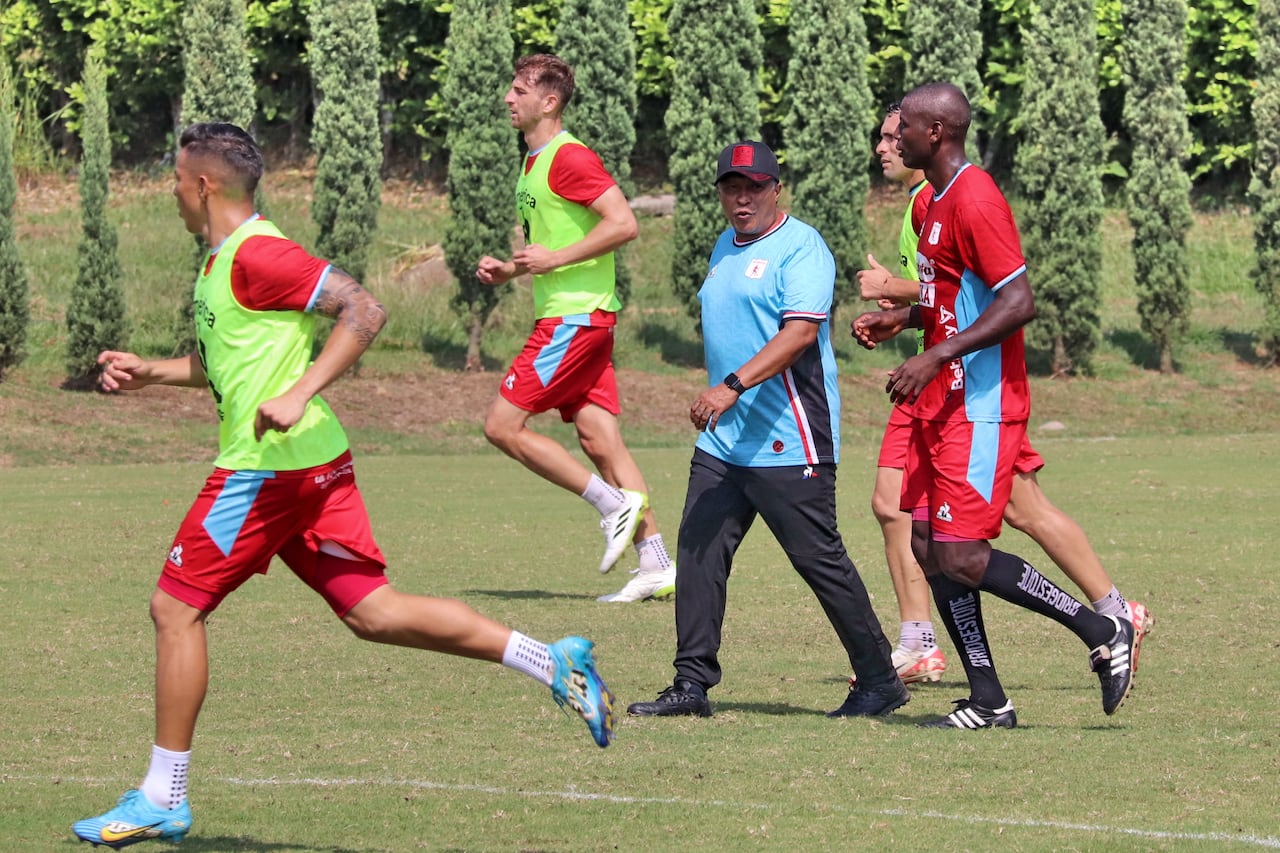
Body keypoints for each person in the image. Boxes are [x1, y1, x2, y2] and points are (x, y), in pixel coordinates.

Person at [72, 123, 615, 849]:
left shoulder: (261, 251)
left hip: (270, 467)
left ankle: (161, 795)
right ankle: (551, 660)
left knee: (175, 608)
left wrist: (300, 391)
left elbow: (364, 309)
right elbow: (222, 367)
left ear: (204, 186)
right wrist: (152, 372)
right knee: (375, 613)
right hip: (312, 462)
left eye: (175, 180)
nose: (172, 192)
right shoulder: (219, 262)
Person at [852, 83, 1134, 729]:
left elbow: (1018, 302)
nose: (896, 140)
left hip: (979, 403)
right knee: (927, 543)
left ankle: (1102, 628)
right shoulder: (933, 204)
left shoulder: (976, 198)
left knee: (962, 554)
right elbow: (952, 298)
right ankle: (988, 699)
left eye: (906, 130)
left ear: (938, 134)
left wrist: (935, 354)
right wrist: (903, 320)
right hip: (941, 400)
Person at [627, 141, 908, 719]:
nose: (742, 198)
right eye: (732, 187)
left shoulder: (802, 247)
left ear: (776, 189)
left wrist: (730, 386)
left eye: (754, 186)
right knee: (699, 551)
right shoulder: (723, 247)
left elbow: (800, 333)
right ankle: (690, 685)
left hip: (790, 435)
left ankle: (880, 680)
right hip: (724, 441)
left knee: (818, 560)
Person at [475, 54, 675, 604]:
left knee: (502, 426)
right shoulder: (533, 162)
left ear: (550, 101)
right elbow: (550, 249)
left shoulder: (569, 158)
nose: (508, 99)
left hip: (575, 319)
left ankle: (612, 506)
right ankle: (656, 562)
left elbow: (624, 223)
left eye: (519, 90)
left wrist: (555, 259)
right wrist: (510, 268)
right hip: (581, 316)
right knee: (600, 439)